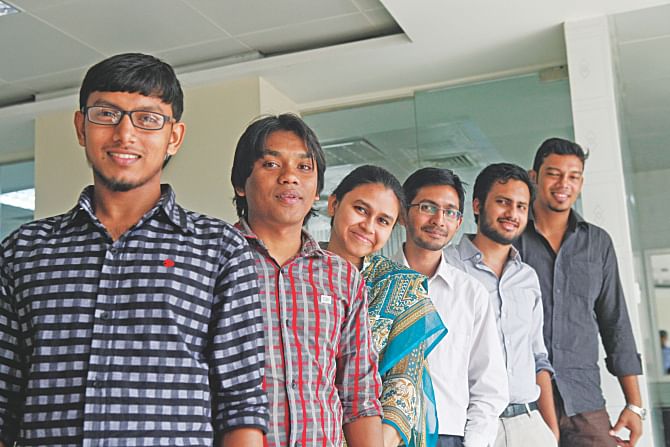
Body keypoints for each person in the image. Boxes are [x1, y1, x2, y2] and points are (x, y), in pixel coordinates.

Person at [0, 53, 268, 446]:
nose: (125, 135)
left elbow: (241, 405)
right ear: (81, 126)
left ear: (173, 136)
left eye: (147, 119)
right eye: (106, 114)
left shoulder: (219, 250)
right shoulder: (24, 251)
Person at [230, 115, 384, 447]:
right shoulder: (213, 263)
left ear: (316, 190)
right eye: (271, 164)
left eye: (304, 168)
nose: (289, 178)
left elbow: (359, 394)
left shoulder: (341, 276)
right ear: (241, 183)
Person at [515, 138, 644, 447]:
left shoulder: (598, 243)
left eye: (573, 176)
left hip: (584, 402)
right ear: (534, 177)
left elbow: (616, 323)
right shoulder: (512, 240)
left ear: (581, 183)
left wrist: (634, 404)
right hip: (524, 403)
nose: (564, 184)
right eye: (554, 173)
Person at [323, 165, 447, 447]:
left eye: (383, 221)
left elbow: (402, 388)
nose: (368, 226)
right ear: (333, 204)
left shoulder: (401, 288)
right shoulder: (295, 273)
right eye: (361, 210)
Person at [444, 163, 558, 447]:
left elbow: (538, 357)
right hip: (471, 425)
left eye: (521, 206)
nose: (512, 214)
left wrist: (550, 431)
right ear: (477, 205)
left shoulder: (527, 277)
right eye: (503, 202)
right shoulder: (447, 266)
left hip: (529, 424)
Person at [395, 167, 509, 447]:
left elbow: (489, 386)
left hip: (449, 436)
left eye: (450, 212)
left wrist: (473, 443)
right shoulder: (372, 284)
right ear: (402, 213)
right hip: (384, 435)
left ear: (459, 223)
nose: (438, 220)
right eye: (427, 207)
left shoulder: (471, 295)